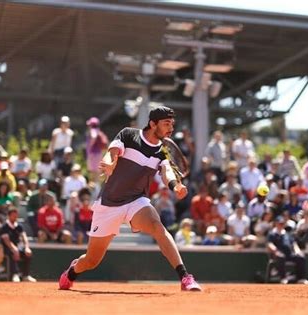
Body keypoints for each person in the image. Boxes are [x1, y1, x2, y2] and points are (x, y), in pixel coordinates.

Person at [58, 106, 202, 291]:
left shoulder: (162, 150)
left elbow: (166, 172)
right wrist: (110, 164)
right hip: (109, 203)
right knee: (91, 261)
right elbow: (113, 152)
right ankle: (72, 272)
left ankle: (185, 277)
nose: (171, 128)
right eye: (166, 124)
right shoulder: (129, 135)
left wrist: (176, 186)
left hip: (136, 201)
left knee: (158, 228)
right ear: (153, 124)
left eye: (172, 124)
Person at [267, 216, 308, 284]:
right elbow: (270, 244)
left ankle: (301, 278)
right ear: (276, 223)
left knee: (301, 257)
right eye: (279, 223)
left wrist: (297, 251)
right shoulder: (272, 234)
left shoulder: (287, 233)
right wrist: (275, 251)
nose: (281, 225)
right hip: (277, 255)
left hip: (289, 254)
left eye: (282, 224)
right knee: (281, 257)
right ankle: (283, 278)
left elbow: (293, 243)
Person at [0, 207, 36, 282]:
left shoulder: (19, 226)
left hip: (17, 247)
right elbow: (7, 241)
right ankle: (14, 274)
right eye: (13, 216)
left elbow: (24, 237)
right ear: (9, 216)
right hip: (6, 248)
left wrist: (27, 248)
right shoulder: (4, 227)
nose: (15, 217)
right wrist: (14, 249)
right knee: (12, 253)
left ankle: (25, 275)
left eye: (16, 216)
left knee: (27, 254)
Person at [86, 117, 108, 181]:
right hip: (98, 153)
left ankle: (95, 186)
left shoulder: (93, 130)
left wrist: (90, 145)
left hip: (93, 154)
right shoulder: (98, 130)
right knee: (97, 171)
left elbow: (93, 136)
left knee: (93, 172)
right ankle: (96, 185)